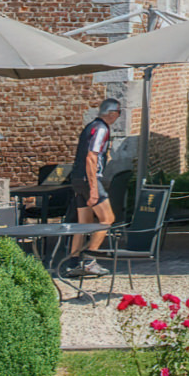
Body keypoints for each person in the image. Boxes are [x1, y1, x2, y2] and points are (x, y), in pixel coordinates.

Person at [66, 98, 121, 276]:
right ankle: (89, 261)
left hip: (77, 178)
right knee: (107, 219)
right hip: (89, 178)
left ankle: (73, 261)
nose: (118, 117)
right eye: (118, 113)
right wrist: (94, 189)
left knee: (84, 223)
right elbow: (91, 157)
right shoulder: (102, 129)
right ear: (112, 114)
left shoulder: (90, 126)